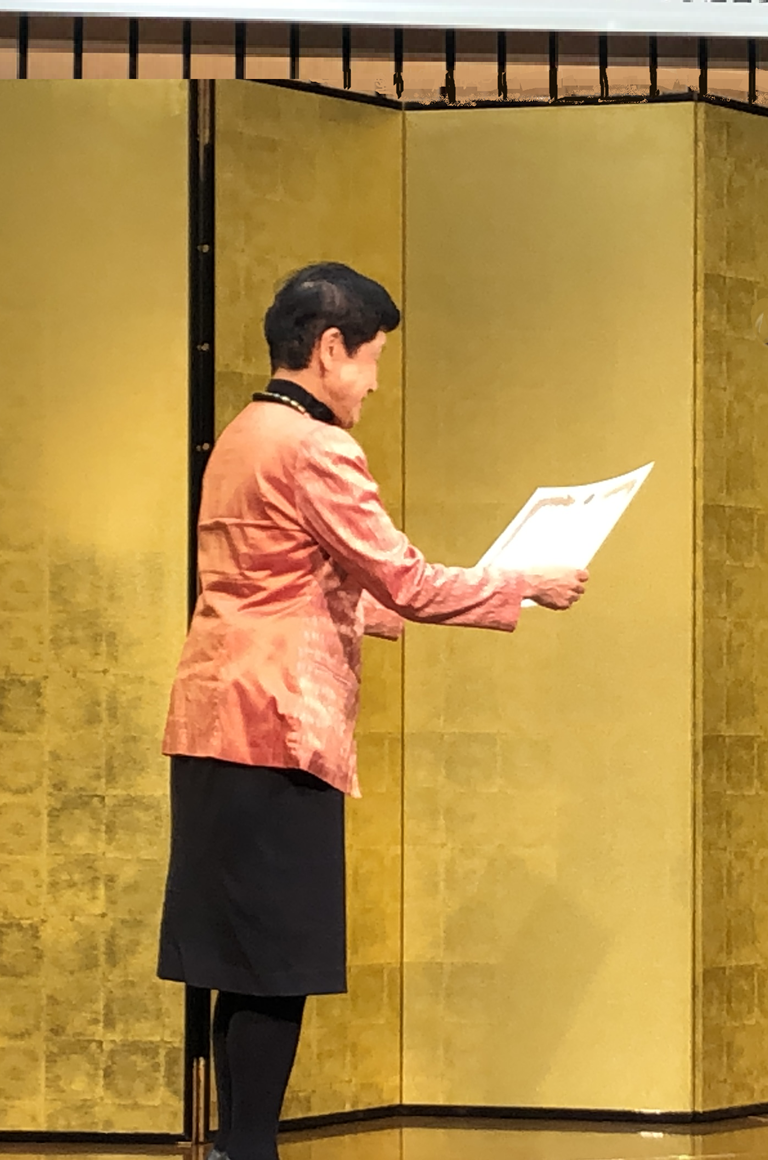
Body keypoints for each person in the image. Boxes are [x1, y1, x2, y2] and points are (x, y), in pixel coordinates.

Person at [158, 262, 587, 1160]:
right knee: (275, 963)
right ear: (329, 348)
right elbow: (405, 577)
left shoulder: (244, 432)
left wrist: (407, 608)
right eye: (373, 359)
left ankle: (239, 1146)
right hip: (275, 724)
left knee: (241, 963)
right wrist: (524, 583)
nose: (375, 382)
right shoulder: (316, 447)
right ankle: (249, 1150)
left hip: (214, 716)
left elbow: (285, 581)